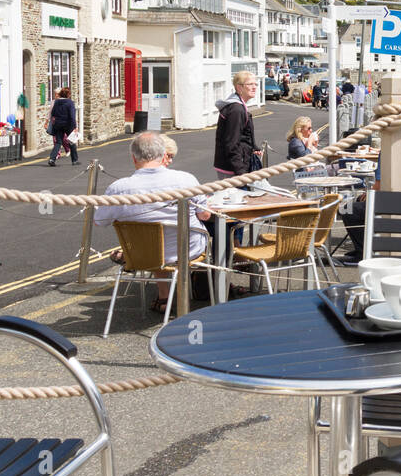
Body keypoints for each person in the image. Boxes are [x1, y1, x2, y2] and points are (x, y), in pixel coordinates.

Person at [94, 132, 214, 312]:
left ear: (134, 158)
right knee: (186, 236)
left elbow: (99, 221)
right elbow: (205, 215)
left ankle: (164, 297)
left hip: (142, 254)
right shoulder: (186, 180)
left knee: (155, 243)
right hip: (187, 250)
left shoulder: (118, 188)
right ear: (163, 154)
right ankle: (211, 292)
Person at [214, 71, 261, 178]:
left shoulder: (239, 106)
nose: (254, 87)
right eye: (250, 84)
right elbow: (232, 143)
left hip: (235, 166)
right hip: (232, 170)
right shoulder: (236, 110)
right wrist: (241, 173)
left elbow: (243, 136)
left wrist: (253, 147)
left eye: (255, 84)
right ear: (239, 88)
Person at [46, 87, 79, 167]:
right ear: (68, 94)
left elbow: (53, 113)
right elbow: (72, 116)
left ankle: (52, 159)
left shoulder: (56, 102)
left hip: (58, 124)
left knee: (58, 142)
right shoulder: (70, 102)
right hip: (68, 125)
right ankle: (74, 160)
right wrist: (75, 126)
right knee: (71, 141)